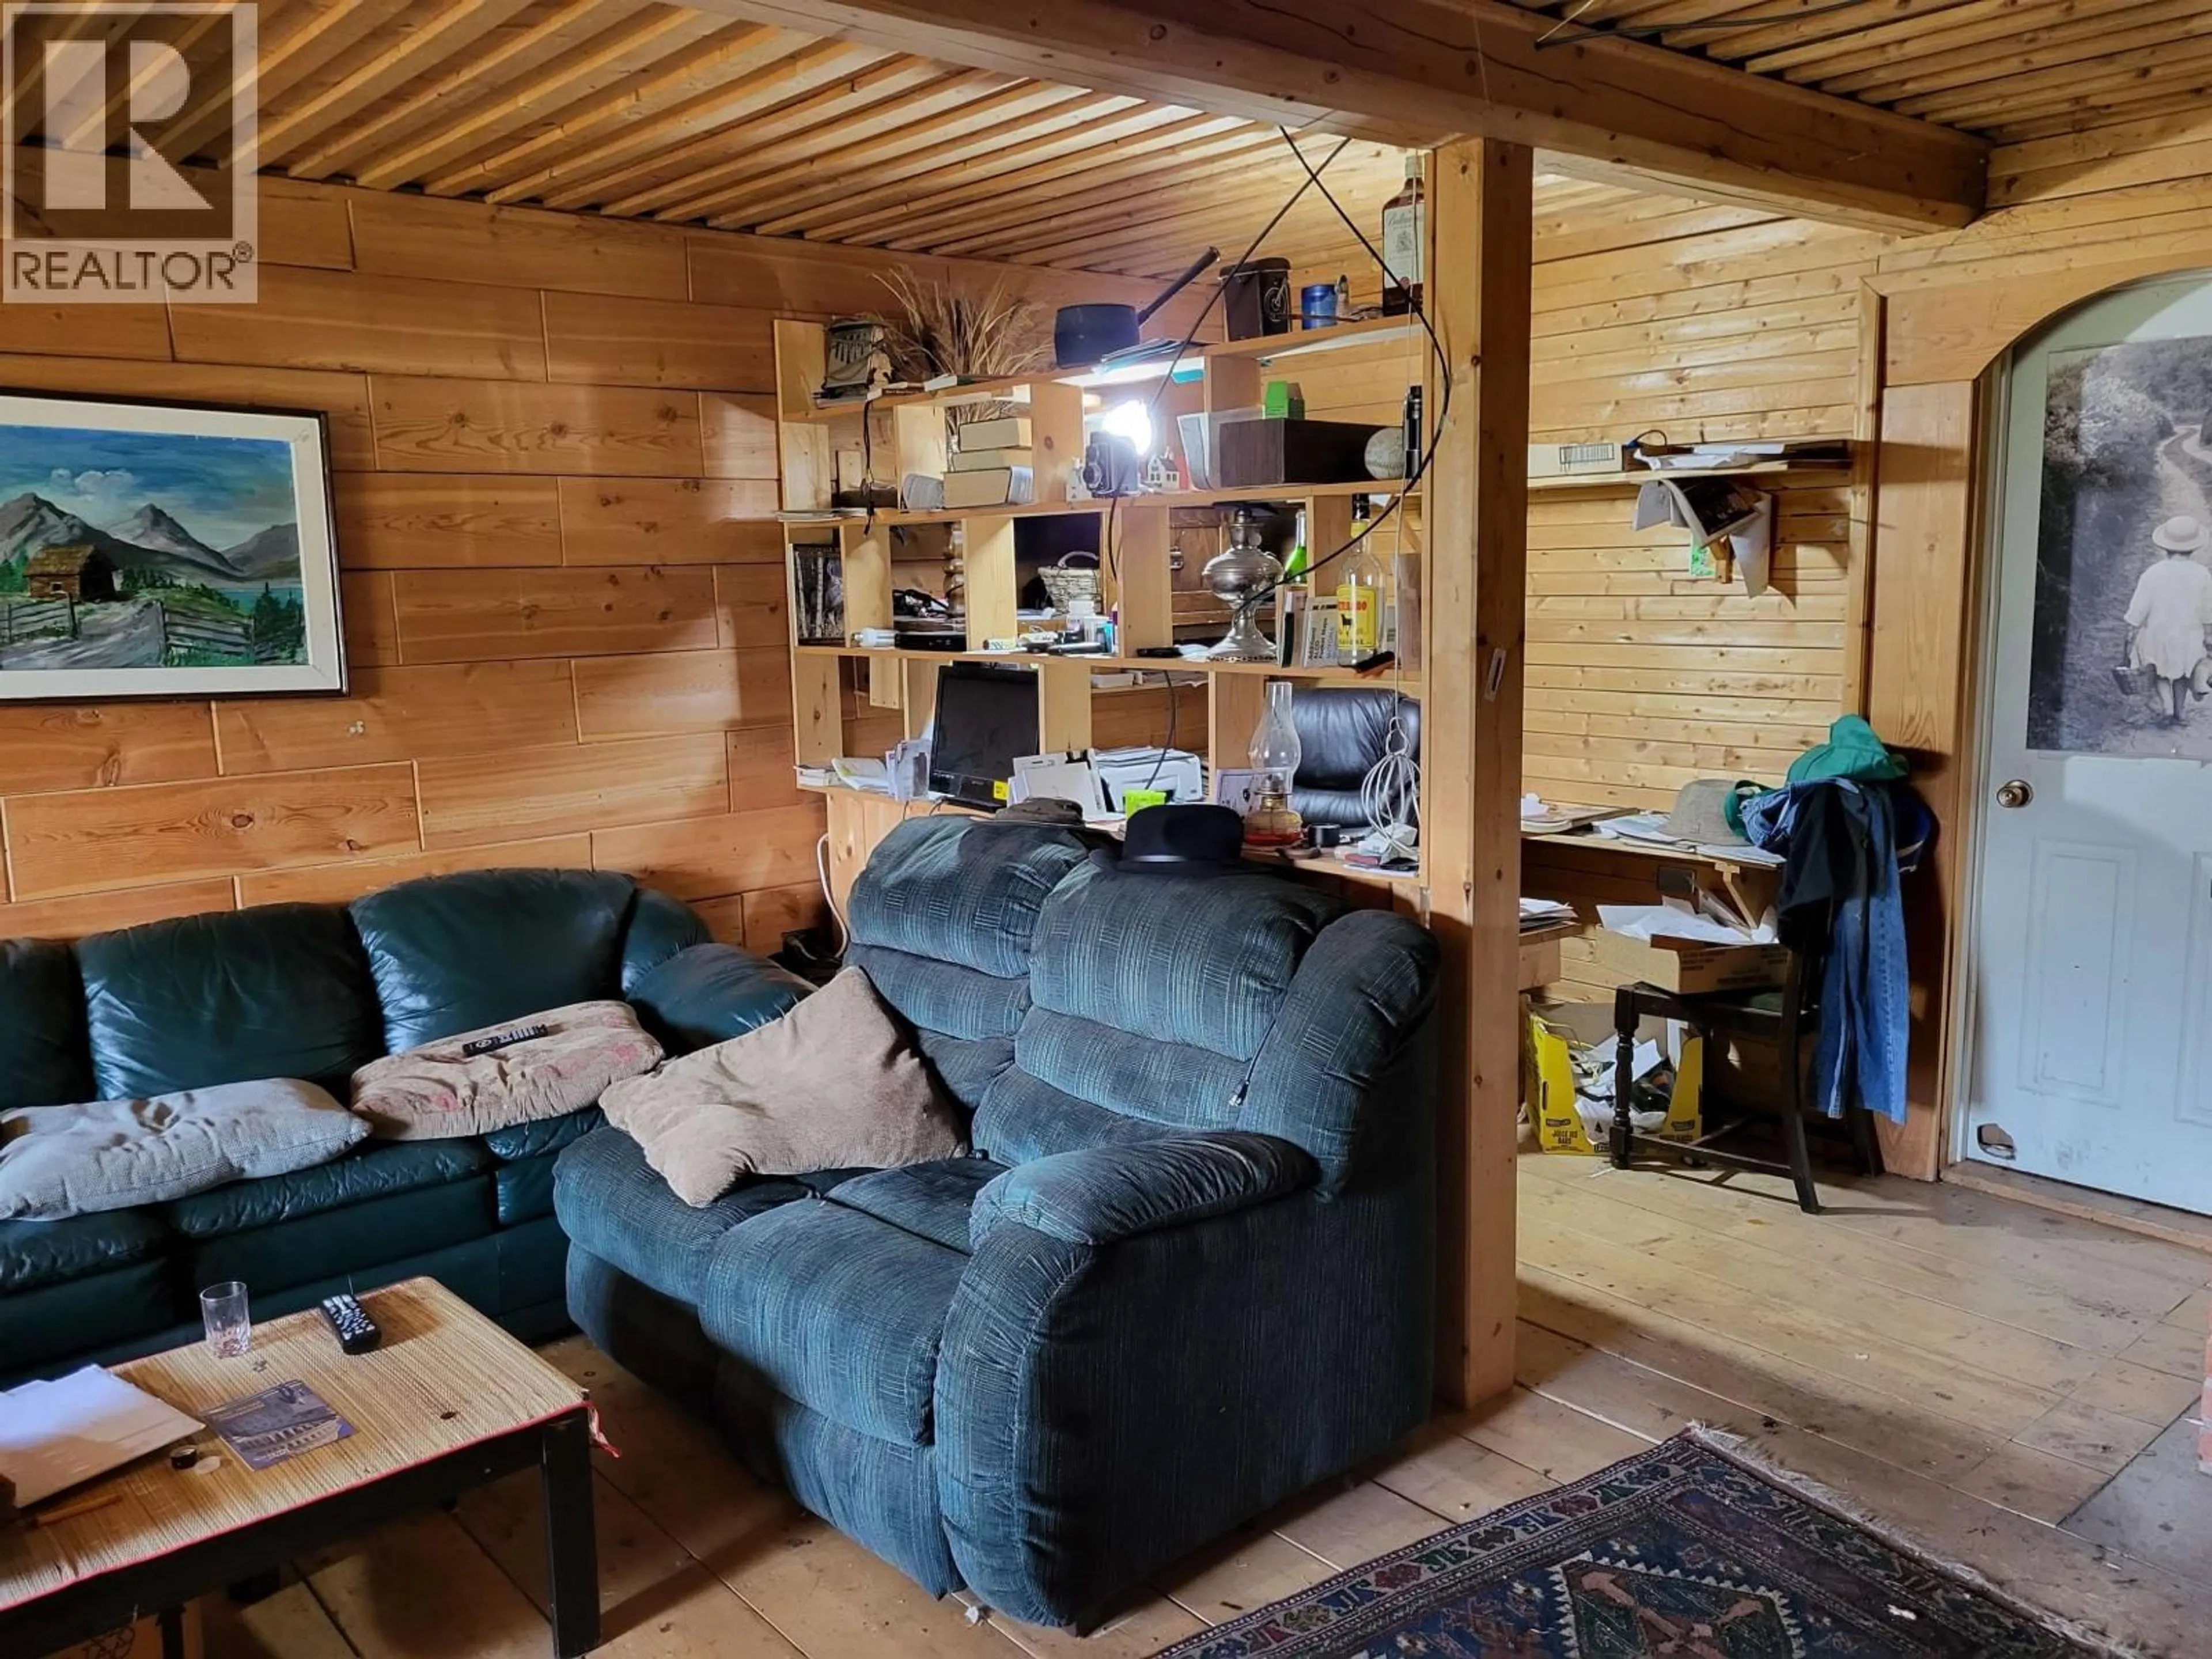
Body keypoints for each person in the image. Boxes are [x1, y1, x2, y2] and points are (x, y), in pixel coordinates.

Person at [2123, 515, 2212, 724]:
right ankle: (2181, 712)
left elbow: (2140, 605)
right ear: (2194, 548)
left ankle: (2167, 709)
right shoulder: (2202, 574)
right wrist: (2208, 634)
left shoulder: (2153, 573)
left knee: (2160, 672)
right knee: (2183, 673)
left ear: (2165, 547)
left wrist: (2132, 626)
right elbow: (2208, 607)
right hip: (2189, 634)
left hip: (2159, 632)